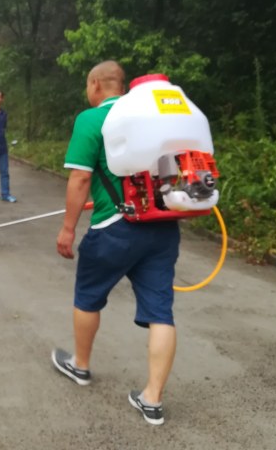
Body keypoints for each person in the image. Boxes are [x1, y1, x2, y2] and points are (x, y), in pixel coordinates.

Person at [51, 61, 180, 426]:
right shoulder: (152, 114)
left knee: (88, 295)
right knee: (161, 312)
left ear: (95, 84)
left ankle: (80, 365)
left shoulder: (91, 120)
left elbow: (79, 179)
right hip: (162, 226)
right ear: (121, 85)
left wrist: (67, 229)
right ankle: (152, 400)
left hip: (114, 228)